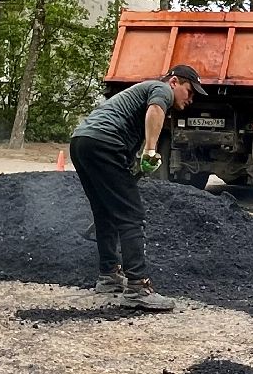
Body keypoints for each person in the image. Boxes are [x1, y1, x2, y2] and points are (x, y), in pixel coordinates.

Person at [69, 64, 206, 311]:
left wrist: (136, 165)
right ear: (174, 82)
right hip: (104, 143)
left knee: (105, 212)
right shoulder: (161, 90)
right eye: (190, 90)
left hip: (82, 142)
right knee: (132, 216)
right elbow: (155, 110)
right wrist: (151, 149)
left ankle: (109, 275)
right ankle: (137, 288)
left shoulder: (138, 95)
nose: (191, 98)